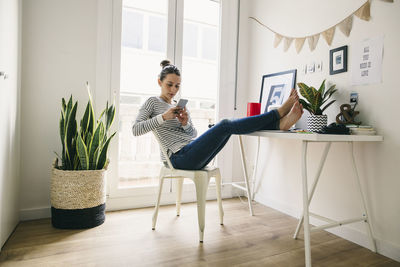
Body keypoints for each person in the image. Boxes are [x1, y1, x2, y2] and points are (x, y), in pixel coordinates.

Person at [132, 60, 303, 170]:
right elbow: (136, 129)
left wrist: (184, 123)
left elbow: (193, 135)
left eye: (177, 86)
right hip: (178, 158)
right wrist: (163, 117)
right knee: (225, 124)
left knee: (226, 129)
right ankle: (277, 115)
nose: (173, 90)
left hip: (191, 152)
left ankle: (277, 124)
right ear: (159, 82)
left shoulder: (178, 106)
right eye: (169, 85)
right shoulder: (152, 102)